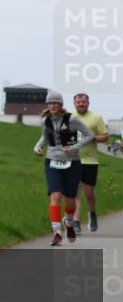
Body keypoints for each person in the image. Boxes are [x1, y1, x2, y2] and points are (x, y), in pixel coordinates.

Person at [33, 90, 94, 246]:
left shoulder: (72, 119)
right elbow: (45, 137)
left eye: (56, 103)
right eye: (50, 103)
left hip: (72, 163)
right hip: (52, 161)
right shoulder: (45, 120)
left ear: (61, 105)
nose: (53, 105)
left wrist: (75, 147)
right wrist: (37, 148)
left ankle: (68, 222)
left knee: (70, 200)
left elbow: (89, 135)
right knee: (56, 196)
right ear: (47, 105)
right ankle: (57, 233)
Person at [69, 93, 110, 232]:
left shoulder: (96, 118)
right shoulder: (69, 117)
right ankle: (76, 221)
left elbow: (105, 137)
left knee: (89, 193)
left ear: (88, 103)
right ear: (74, 103)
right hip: (73, 159)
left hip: (90, 160)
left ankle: (92, 213)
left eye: (84, 102)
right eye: (79, 102)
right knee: (75, 192)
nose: (81, 104)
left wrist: (91, 138)